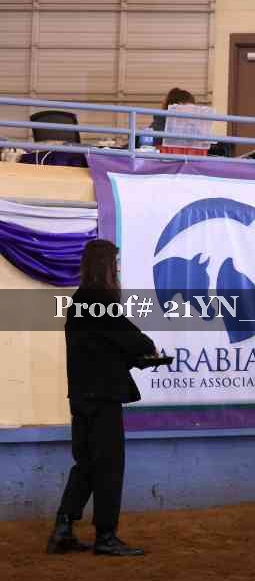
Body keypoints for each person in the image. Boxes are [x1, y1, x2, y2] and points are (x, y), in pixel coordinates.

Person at [46, 239, 159, 557]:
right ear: (105, 266)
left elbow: (104, 347)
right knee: (109, 466)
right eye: (115, 264)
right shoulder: (99, 301)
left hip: (80, 396)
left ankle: (63, 528)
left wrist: (136, 357)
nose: (118, 269)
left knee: (86, 465)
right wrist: (149, 350)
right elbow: (132, 339)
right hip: (103, 398)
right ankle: (106, 536)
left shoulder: (79, 301)